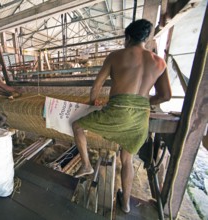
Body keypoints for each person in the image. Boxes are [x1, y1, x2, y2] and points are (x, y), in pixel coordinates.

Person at [72, 19, 171, 214]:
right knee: (127, 159)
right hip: (140, 116)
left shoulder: (116, 56)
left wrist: (92, 105)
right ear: (146, 38)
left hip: (118, 110)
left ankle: (86, 165)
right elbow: (165, 96)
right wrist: (143, 103)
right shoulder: (159, 62)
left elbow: (97, 85)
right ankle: (125, 204)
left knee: (77, 125)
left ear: (128, 37)